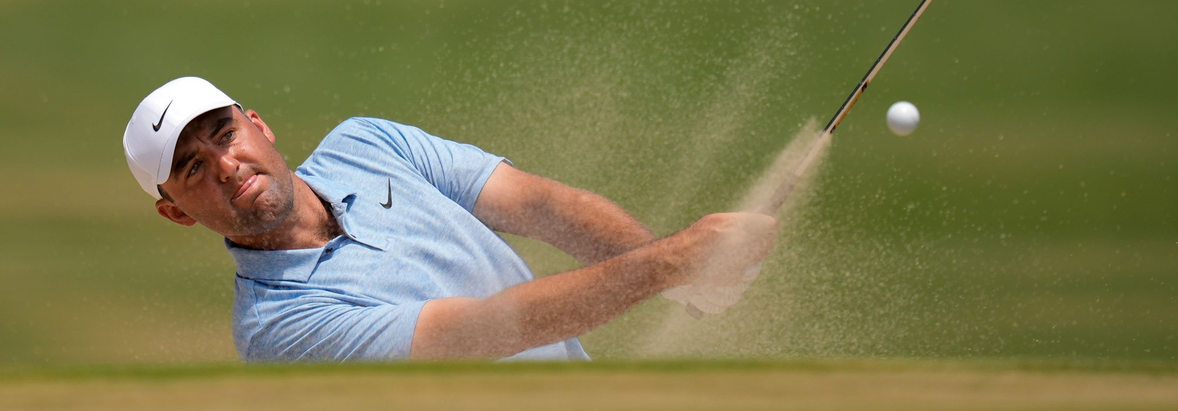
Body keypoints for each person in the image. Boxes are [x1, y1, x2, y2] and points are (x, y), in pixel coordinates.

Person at [123, 76, 778, 362]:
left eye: (223, 133)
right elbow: (484, 329)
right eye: (193, 167)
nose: (227, 164)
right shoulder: (277, 329)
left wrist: (686, 274)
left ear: (258, 124)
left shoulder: (369, 144)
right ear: (176, 211)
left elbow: (541, 206)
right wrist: (668, 263)